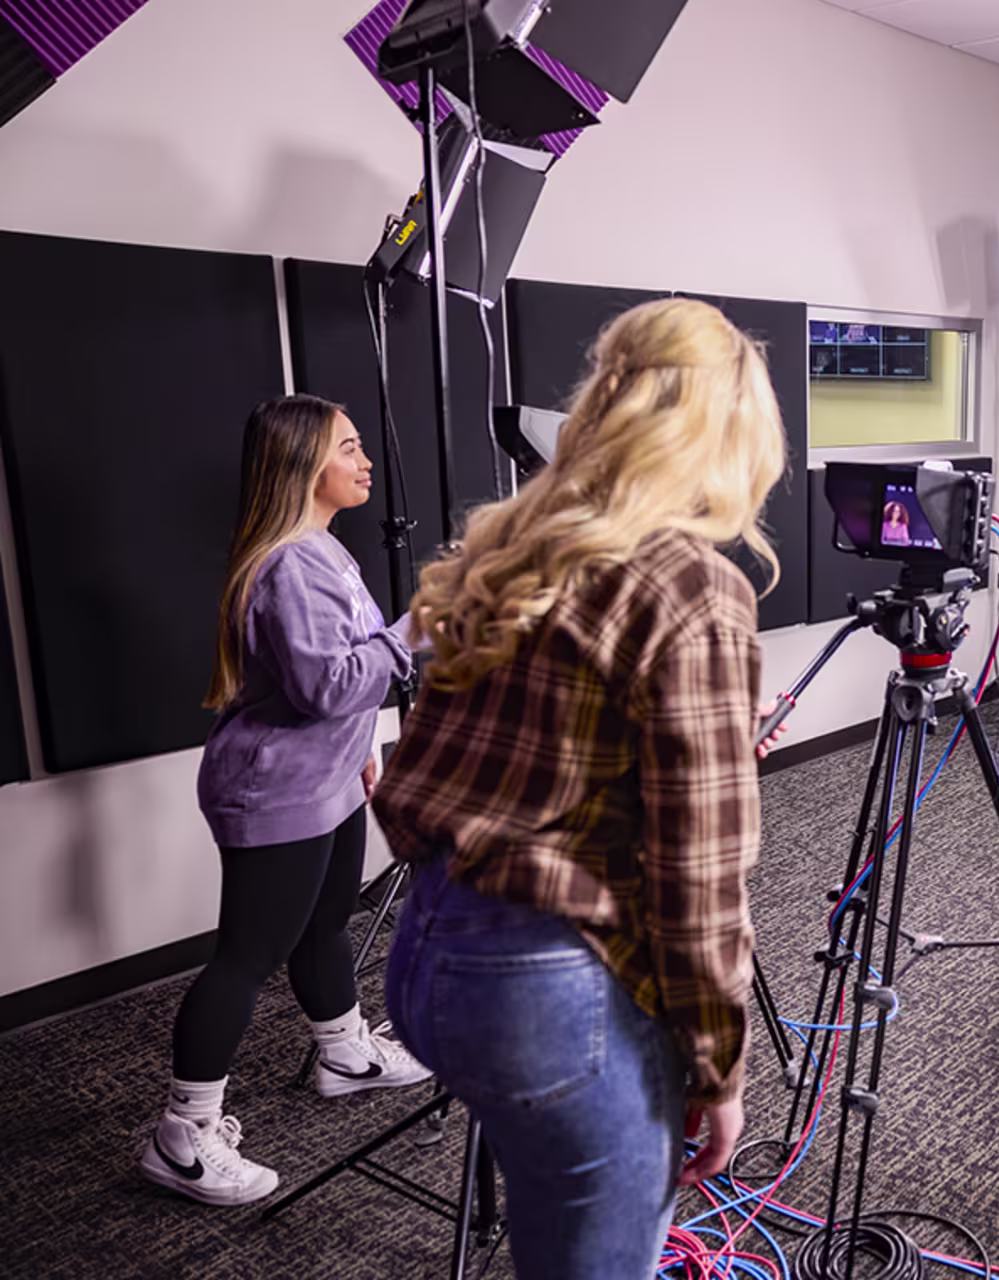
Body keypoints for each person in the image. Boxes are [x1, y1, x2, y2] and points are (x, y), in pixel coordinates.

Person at [374, 298, 784, 1280]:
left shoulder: (512, 544)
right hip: (548, 992)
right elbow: (700, 876)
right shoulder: (693, 584)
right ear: (727, 434)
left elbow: (480, 757)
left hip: (427, 956)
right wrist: (718, 1064)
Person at [139, 395, 431, 1208]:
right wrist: (416, 631)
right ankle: (182, 1135)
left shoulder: (324, 551)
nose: (365, 460)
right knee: (247, 956)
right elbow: (324, 686)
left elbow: (342, 675)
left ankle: (343, 1052)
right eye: (348, 447)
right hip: (273, 791)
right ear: (304, 465)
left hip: (327, 779)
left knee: (326, 922)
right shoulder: (292, 564)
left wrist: (363, 755)